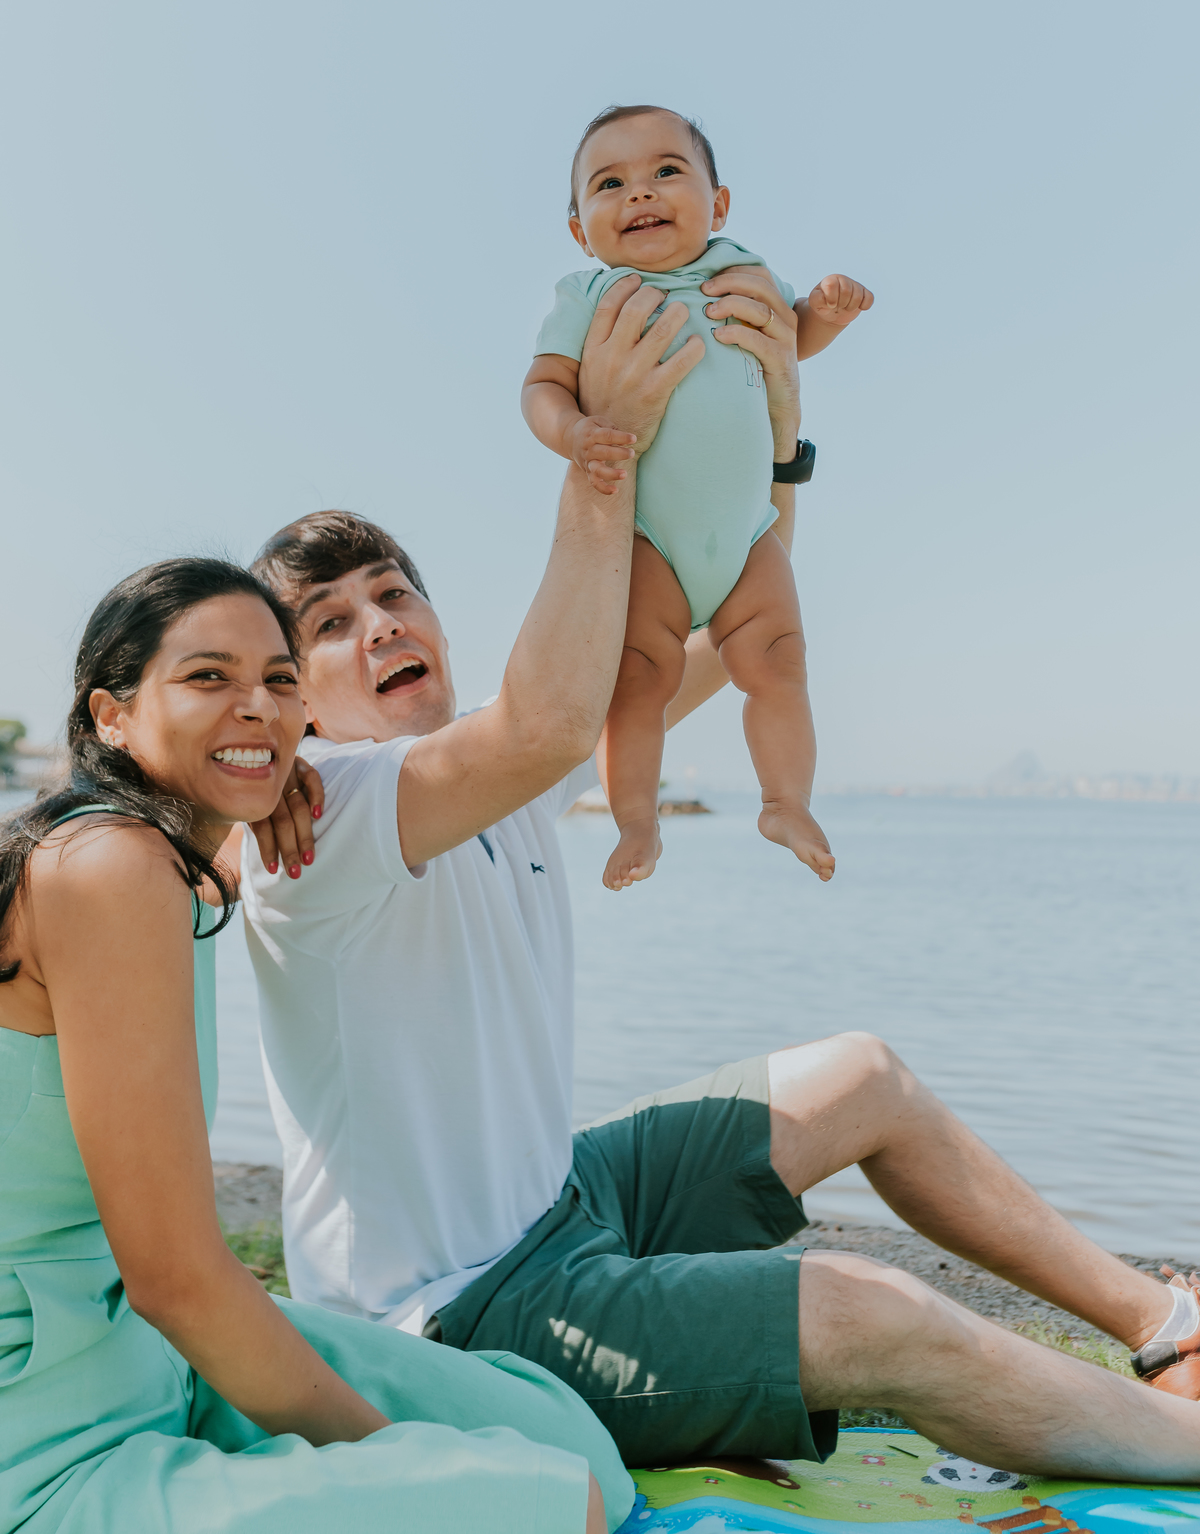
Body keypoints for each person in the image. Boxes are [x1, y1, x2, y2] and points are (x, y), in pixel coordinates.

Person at [232, 289, 1200, 1478]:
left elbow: (732, 613)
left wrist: (772, 427)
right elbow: (552, 721)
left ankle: (1168, 1327)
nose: (377, 626)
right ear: (292, 696)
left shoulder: (484, 766)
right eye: (329, 625)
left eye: (391, 592)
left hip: (562, 1197)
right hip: (461, 1317)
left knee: (865, 1077)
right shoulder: (321, 813)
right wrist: (604, 452)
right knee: (873, 1311)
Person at [0, 559, 629, 1534]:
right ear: (112, 714)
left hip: (147, 1353)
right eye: (209, 678)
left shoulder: (164, 853)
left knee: (569, 1438)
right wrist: (399, 1460)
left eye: (281, 681)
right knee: (553, 1502)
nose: (257, 706)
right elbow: (176, 1278)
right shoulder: (107, 869)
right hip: (46, 1450)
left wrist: (267, 780)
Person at [522, 102, 872, 889]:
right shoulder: (589, 294)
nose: (640, 192)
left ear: (717, 206)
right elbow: (542, 385)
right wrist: (575, 432)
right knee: (639, 681)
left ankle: (786, 800)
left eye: (666, 172)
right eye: (609, 183)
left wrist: (825, 312)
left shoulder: (741, 268)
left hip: (751, 537)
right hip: (652, 539)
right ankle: (637, 821)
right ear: (580, 228)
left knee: (781, 665)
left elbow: (792, 335)